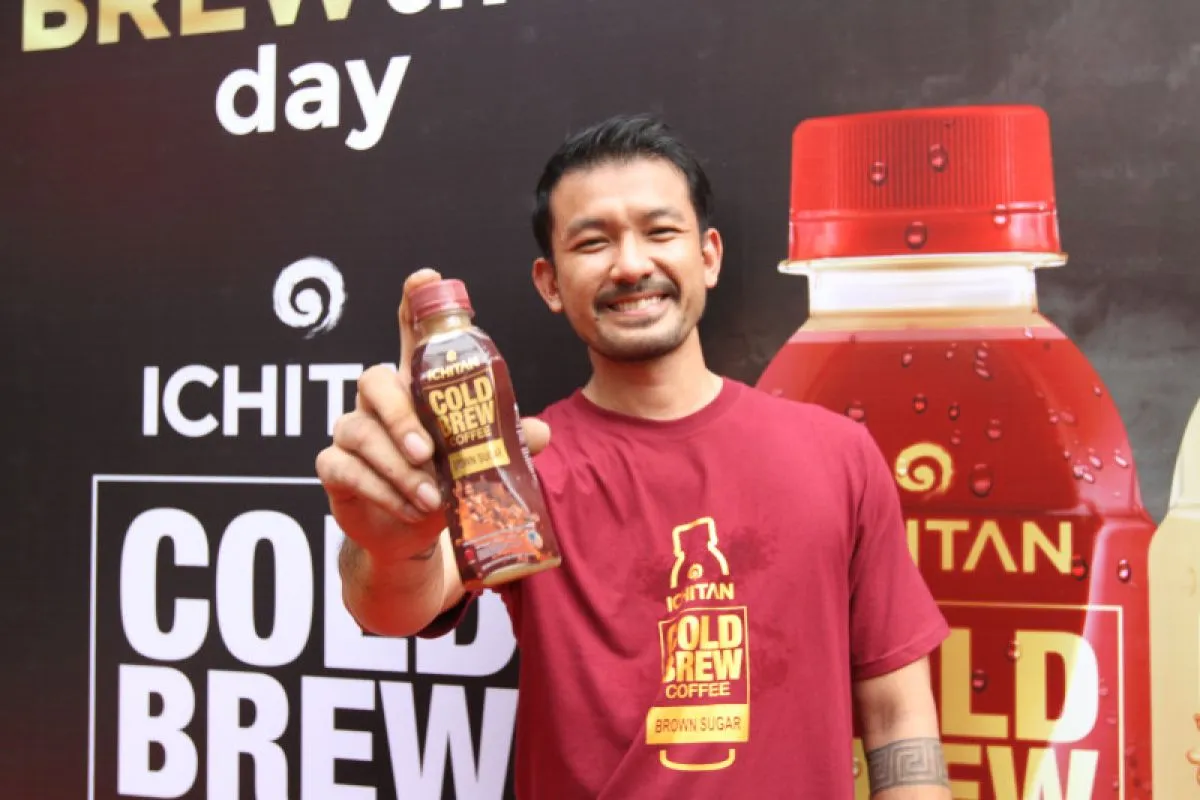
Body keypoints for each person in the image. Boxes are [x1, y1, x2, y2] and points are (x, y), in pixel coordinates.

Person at [316, 114, 952, 799]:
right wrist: (392, 542)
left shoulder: (838, 455)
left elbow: (898, 714)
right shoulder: (522, 467)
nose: (630, 264)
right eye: (593, 242)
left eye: (660, 231)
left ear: (708, 256)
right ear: (550, 282)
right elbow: (392, 606)